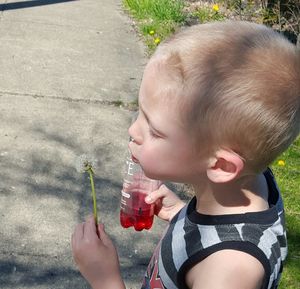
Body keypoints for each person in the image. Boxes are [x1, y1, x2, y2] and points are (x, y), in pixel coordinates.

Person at [71, 21, 300, 289]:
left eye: (155, 130)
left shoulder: (230, 272)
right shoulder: (247, 185)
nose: (133, 130)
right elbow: (226, 226)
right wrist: (184, 214)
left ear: (222, 166)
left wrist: (105, 280)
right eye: (139, 112)